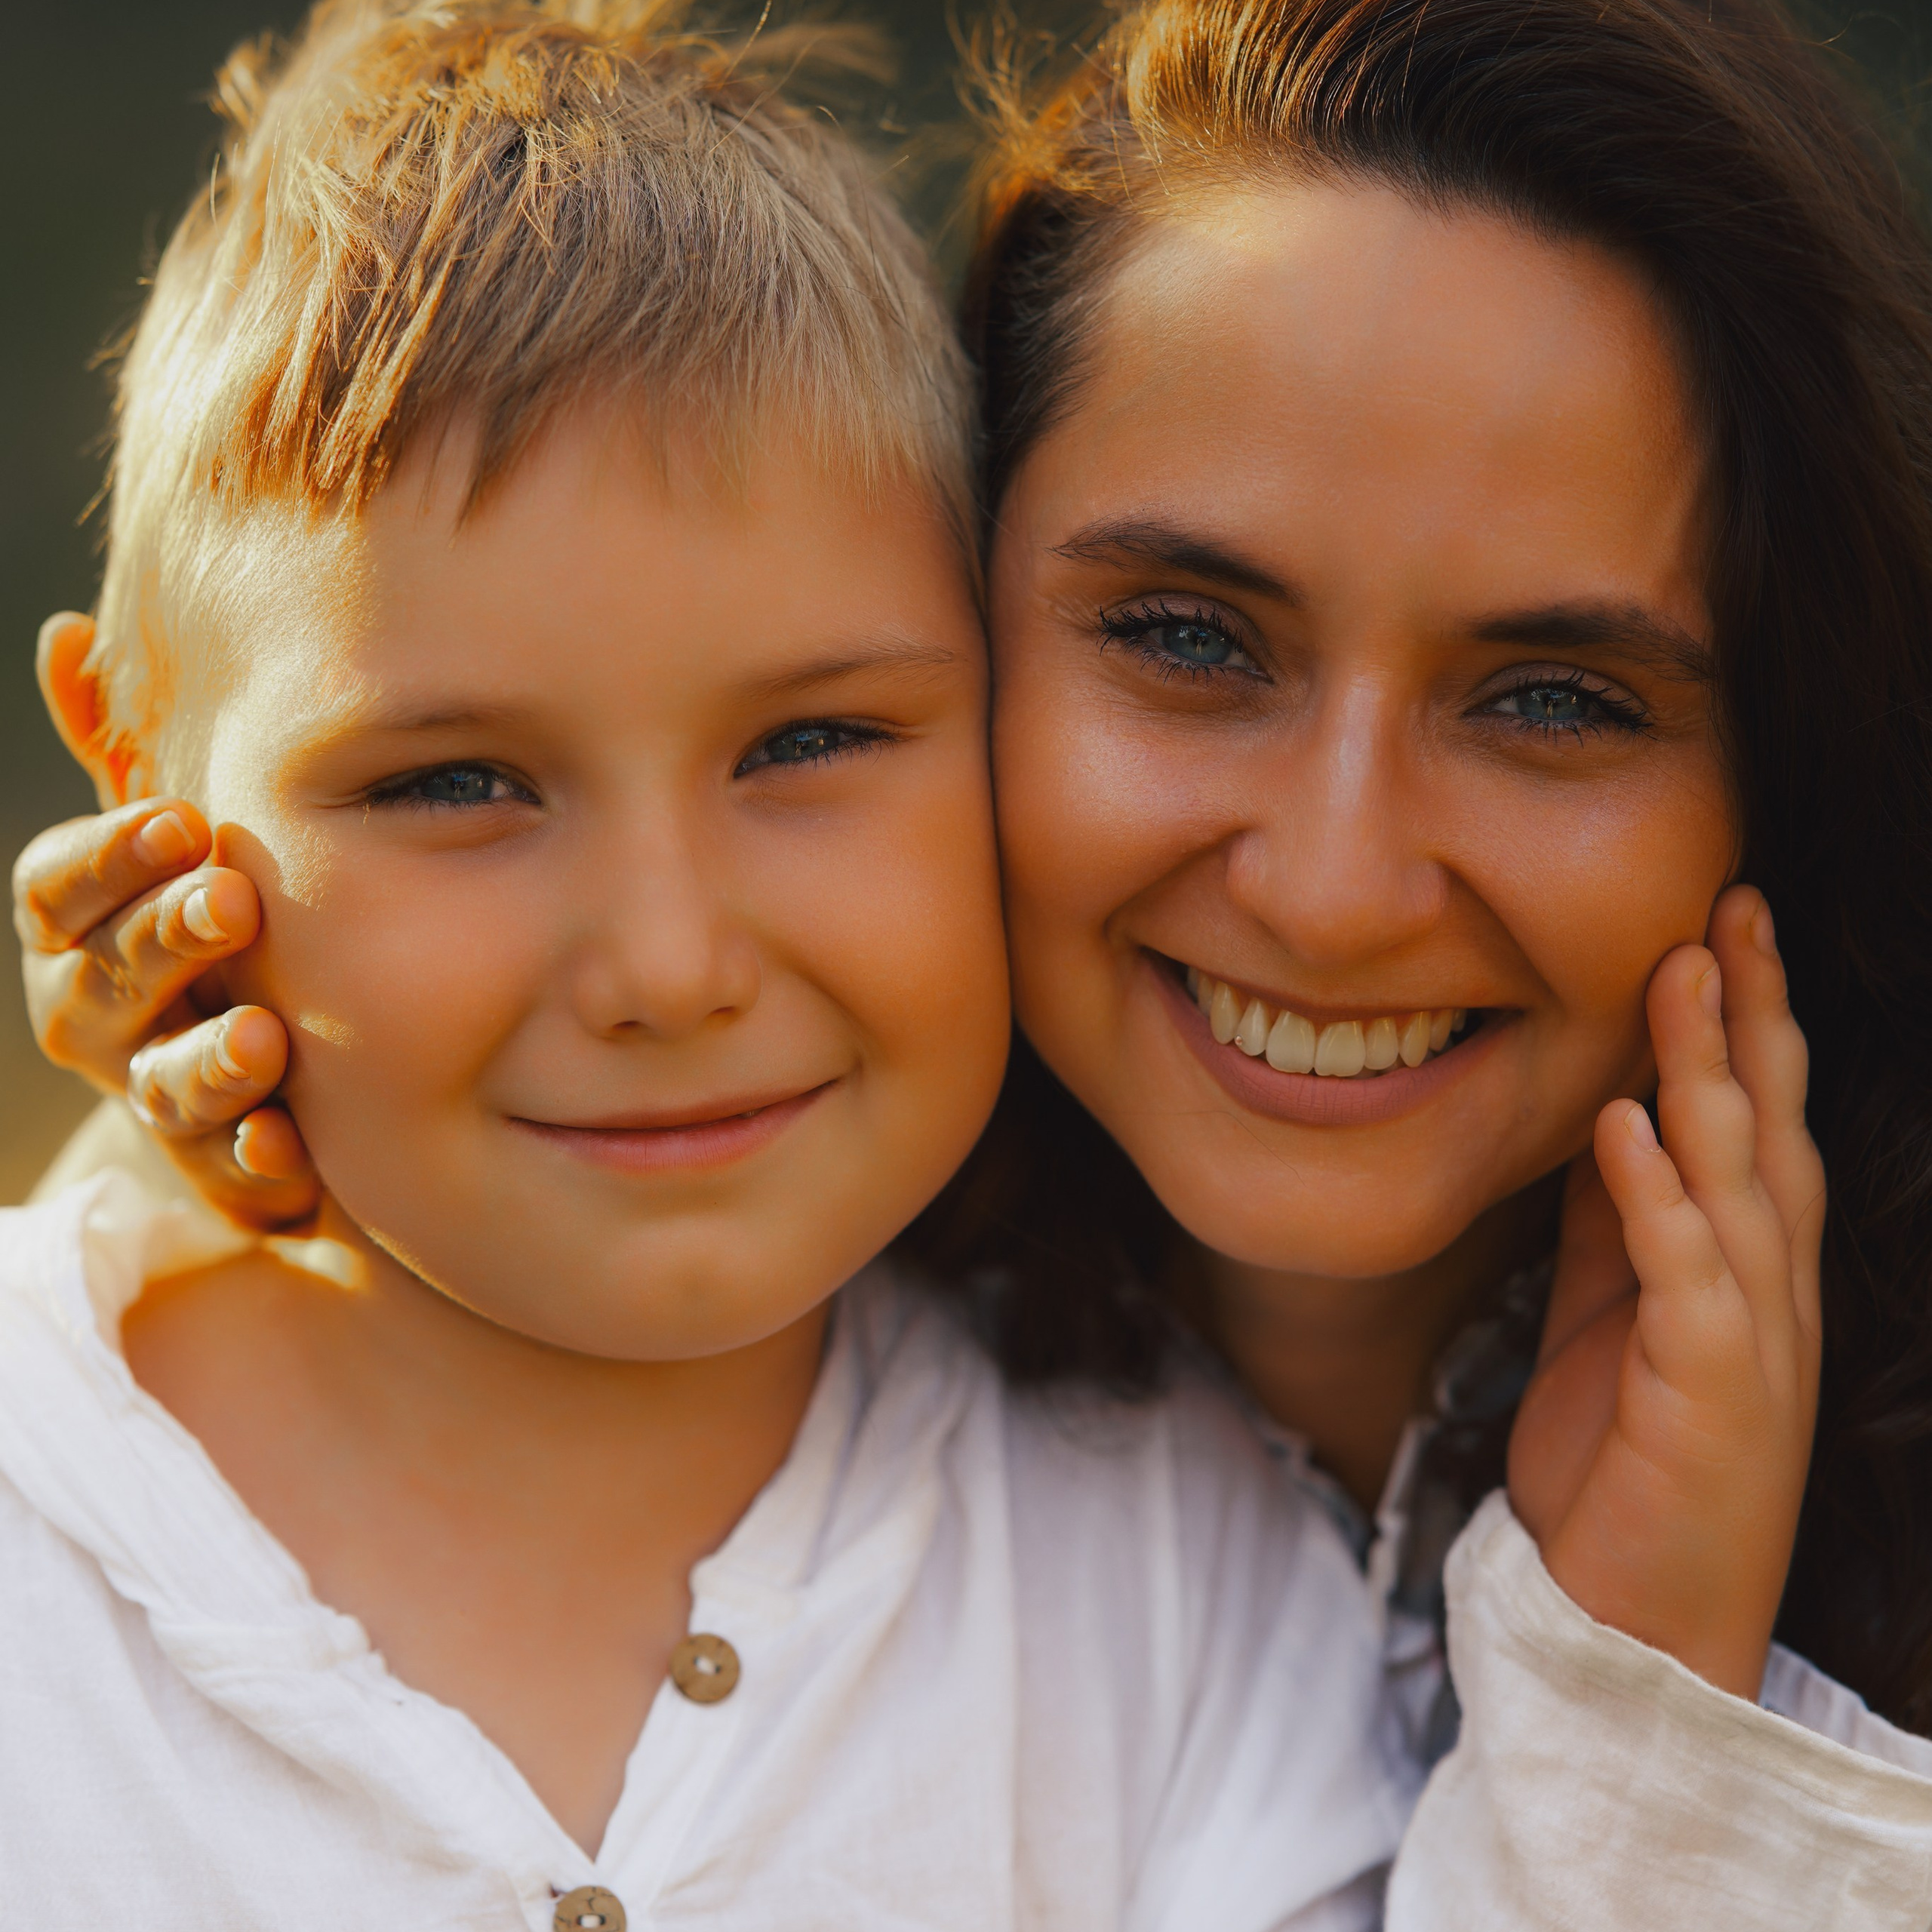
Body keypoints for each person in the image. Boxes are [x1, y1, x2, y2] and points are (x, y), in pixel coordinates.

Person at [20, 0, 1932, 1924]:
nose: (1336, 888)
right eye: (1189, 635)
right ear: (970, 576)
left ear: (1789, 748)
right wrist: (243, 1038)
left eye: (1551, 694)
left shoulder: (1158, 1590)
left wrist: (1641, 1700)